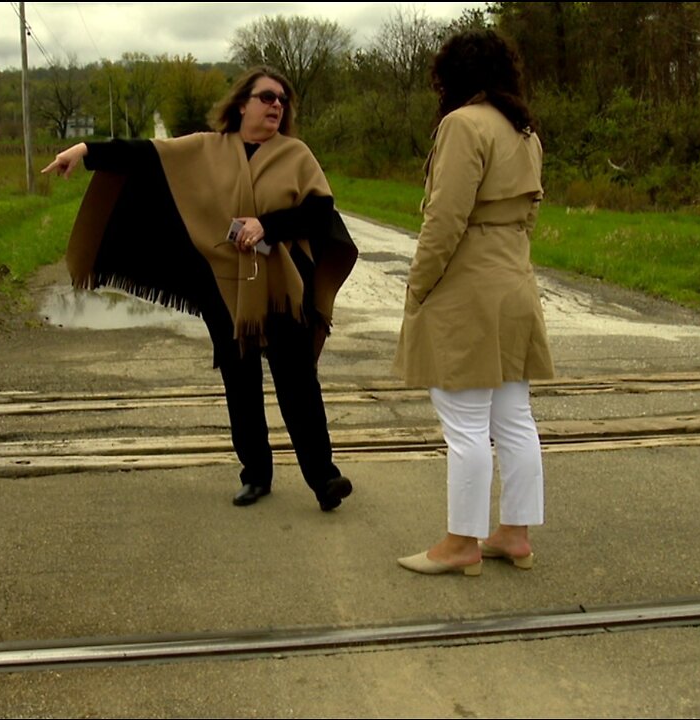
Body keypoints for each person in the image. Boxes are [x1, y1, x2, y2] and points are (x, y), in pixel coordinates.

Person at [42, 67, 357, 512]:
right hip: (223, 289)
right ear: (242, 103)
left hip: (282, 288)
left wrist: (268, 224)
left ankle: (324, 478)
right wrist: (85, 150)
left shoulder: (296, 155)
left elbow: (320, 214)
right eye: (267, 97)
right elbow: (148, 154)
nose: (276, 106)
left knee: (298, 381)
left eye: (283, 101)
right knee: (240, 383)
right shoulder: (207, 148)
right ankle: (256, 475)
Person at [393, 30, 554, 575]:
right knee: (513, 416)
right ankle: (514, 533)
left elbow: (445, 218)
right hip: (515, 278)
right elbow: (530, 212)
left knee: (464, 422)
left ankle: (462, 542)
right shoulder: (524, 131)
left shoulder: (463, 125)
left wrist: (419, 285)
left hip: (468, 283)